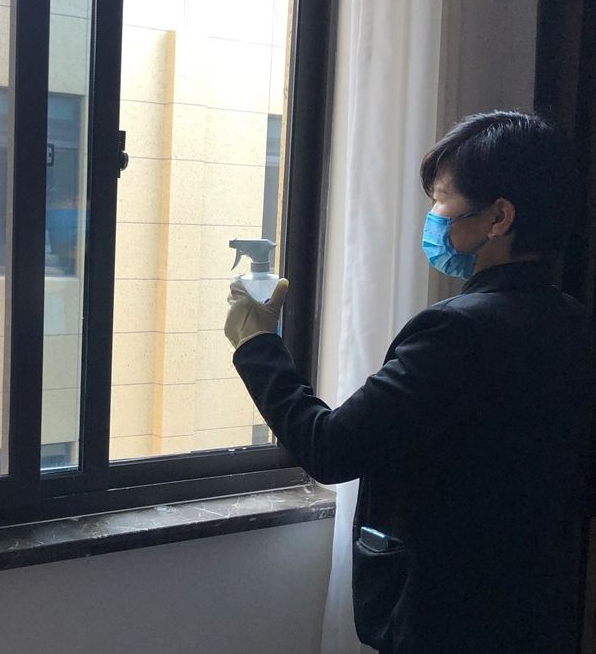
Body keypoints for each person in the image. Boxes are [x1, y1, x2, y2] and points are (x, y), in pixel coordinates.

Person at [225, 111, 594, 653]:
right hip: (540, 610)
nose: (433, 217)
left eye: (441, 200)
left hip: (446, 617)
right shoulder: (574, 322)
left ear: (498, 217)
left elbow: (330, 447)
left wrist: (257, 345)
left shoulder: (456, 331)